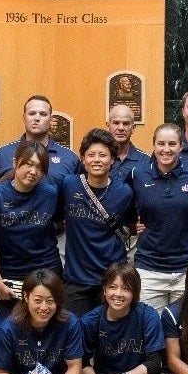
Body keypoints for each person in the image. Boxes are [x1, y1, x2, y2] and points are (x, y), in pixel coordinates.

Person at [125, 123, 188, 308]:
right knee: (151, 330)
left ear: (181, 146)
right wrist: (132, 225)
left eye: (172, 144)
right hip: (149, 268)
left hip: (186, 267)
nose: (166, 149)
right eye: (161, 144)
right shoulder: (137, 175)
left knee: (183, 331)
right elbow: (123, 205)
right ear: (153, 146)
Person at [0, 141, 63, 318]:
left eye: (40, 167)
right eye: (28, 164)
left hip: (47, 273)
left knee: (47, 332)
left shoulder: (51, 194)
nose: (33, 172)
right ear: (16, 162)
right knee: (9, 332)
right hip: (9, 276)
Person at [60, 129, 135, 315]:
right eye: (91, 155)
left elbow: (133, 224)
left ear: (112, 160)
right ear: (83, 159)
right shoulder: (69, 185)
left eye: (103, 155)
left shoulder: (124, 192)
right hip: (76, 280)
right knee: (77, 335)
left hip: (111, 280)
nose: (96, 160)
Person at [0, 95, 80, 186]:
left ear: (50, 120)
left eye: (43, 114)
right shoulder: (1, 155)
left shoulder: (70, 159)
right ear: (24, 118)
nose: (37, 118)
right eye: (32, 113)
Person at [106, 103, 149, 173]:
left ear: (133, 128)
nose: (121, 128)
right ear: (108, 126)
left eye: (126, 123)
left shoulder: (146, 161)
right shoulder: (97, 160)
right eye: (116, 123)